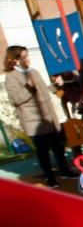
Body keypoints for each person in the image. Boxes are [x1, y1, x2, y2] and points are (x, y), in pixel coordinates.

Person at [3, 46, 78, 188]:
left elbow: (44, 92)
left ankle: (64, 171)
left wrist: (55, 86)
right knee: (43, 151)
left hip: (49, 116)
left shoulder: (34, 72)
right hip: (33, 120)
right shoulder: (11, 78)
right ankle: (49, 178)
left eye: (27, 56)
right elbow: (17, 99)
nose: (27, 59)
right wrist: (29, 86)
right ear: (14, 60)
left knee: (58, 147)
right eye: (24, 57)